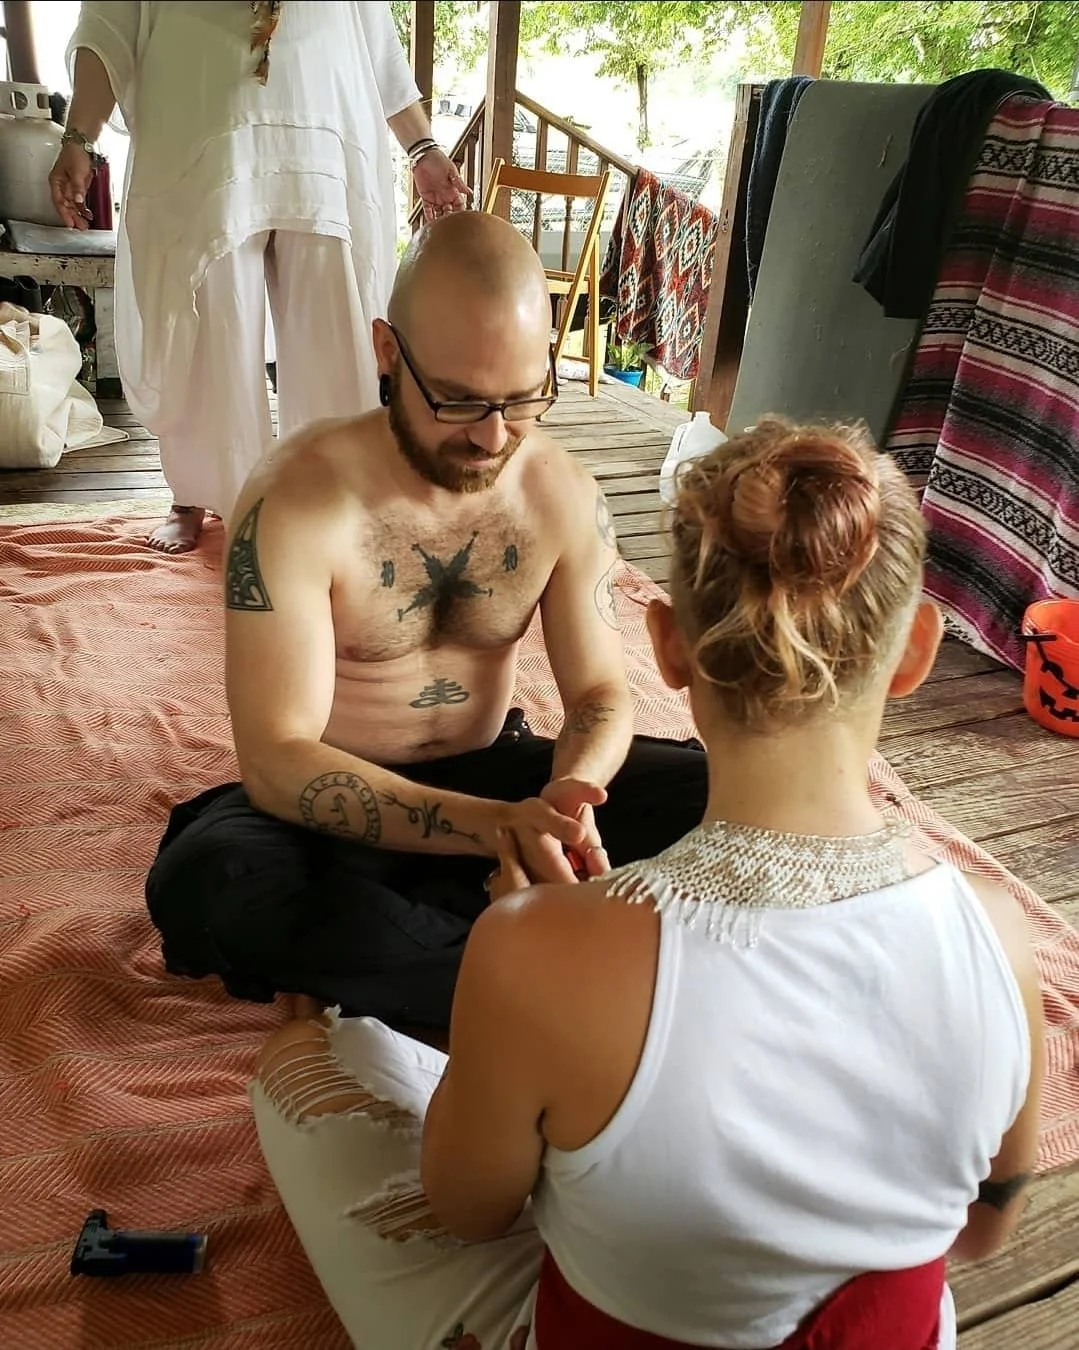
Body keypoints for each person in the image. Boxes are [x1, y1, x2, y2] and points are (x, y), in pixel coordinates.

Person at [249, 418, 1044, 1350]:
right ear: (914, 652)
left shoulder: (533, 945)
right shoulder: (998, 931)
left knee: (308, 1061)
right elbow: (982, 1231)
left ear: (665, 646)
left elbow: (468, 1213)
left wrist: (517, 978)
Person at [145, 210, 710, 1030]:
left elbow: (598, 695)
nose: (491, 436)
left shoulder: (561, 493)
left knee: (722, 793)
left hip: (498, 775)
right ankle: (551, 976)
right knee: (213, 881)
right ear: (386, 352)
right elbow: (275, 759)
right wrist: (494, 833)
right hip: (331, 810)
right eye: (457, 401)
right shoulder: (297, 498)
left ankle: (444, 958)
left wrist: (567, 797)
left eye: (522, 399)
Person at [49, 2, 469, 554]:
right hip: (200, 120)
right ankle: (201, 492)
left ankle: (334, 491)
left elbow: (374, 34)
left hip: (323, 120)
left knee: (336, 327)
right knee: (210, 319)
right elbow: (108, 23)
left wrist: (422, 146)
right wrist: (79, 137)